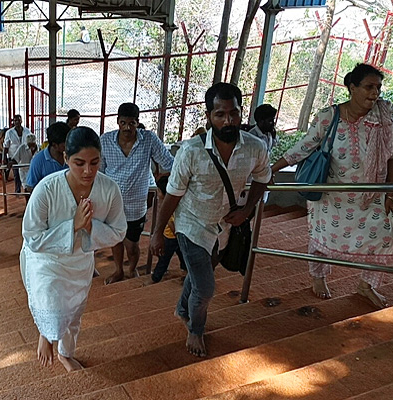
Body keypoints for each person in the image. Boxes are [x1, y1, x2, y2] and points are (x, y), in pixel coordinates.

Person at [150, 82, 271, 357]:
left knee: (197, 278)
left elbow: (264, 179)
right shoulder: (191, 152)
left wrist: (247, 211)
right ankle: (195, 330)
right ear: (209, 116)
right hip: (191, 226)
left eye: (234, 113)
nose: (228, 120)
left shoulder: (255, 147)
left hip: (225, 227)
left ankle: (182, 309)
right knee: (205, 287)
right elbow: (172, 194)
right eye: (220, 114)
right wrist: (158, 232)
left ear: (242, 113)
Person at [271, 63, 393, 309]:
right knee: (322, 238)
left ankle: (366, 285)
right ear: (352, 88)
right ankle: (319, 277)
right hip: (331, 195)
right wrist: (271, 170)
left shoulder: (385, 118)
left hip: (371, 194)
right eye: (369, 87)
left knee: (384, 234)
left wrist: (390, 193)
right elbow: (304, 147)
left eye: (378, 88)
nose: (375, 93)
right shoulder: (329, 116)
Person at [21, 126, 127, 372]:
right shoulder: (47, 189)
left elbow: (119, 230)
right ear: (66, 159)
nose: (88, 171)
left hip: (80, 261)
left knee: (74, 314)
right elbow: (32, 237)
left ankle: (65, 353)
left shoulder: (109, 189)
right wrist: (73, 226)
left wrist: (89, 229)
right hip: (45, 259)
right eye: (79, 163)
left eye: (94, 162)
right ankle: (46, 334)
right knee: (52, 300)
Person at [100, 102, 174, 284]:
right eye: (123, 123)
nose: (127, 127)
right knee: (115, 240)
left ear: (137, 123)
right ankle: (118, 271)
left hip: (136, 205)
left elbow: (168, 162)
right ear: (117, 122)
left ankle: (132, 270)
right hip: (111, 203)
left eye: (132, 123)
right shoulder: (105, 141)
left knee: (132, 244)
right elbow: (99, 172)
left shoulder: (148, 139)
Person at [150, 176, 186, 284]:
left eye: (159, 191)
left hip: (170, 237)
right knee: (182, 253)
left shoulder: (168, 207)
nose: (157, 192)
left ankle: (156, 277)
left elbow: (171, 223)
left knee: (164, 258)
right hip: (175, 237)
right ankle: (186, 270)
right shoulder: (176, 203)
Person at [26, 122, 70, 191]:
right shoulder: (38, 161)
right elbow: (30, 187)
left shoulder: (72, 156)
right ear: (55, 145)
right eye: (65, 144)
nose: (69, 145)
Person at [4, 115, 32, 194]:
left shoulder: (27, 131)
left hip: (24, 156)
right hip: (13, 156)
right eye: (15, 120)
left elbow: (30, 142)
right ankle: (17, 189)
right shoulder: (9, 132)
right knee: (16, 173)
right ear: (13, 122)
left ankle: (26, 188)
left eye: (18, 120)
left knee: (25, 172)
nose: (17, 122)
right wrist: (4, 158)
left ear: (21, 121)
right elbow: (6, 146)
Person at [10, 133, 39, 201]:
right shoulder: (22, 148)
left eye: (33, 144)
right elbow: (15, 158)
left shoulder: (39, 148)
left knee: (36, 188)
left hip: (36, 172)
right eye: (30, 145)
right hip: (24, 171)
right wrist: (10, 163)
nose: (31, 146)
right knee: (26, 189)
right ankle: (28, 205)